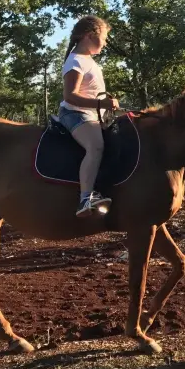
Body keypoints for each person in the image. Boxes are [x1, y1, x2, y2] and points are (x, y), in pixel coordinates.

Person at [58, 15, 120, 218]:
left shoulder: (87, 60)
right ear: (90, 35)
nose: (105, 42)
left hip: (91, 114)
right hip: (75, 114)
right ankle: (85, 198)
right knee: (96, 146)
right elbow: (70, 96)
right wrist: (101, 104)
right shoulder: (75, 61)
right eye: (104, 37)